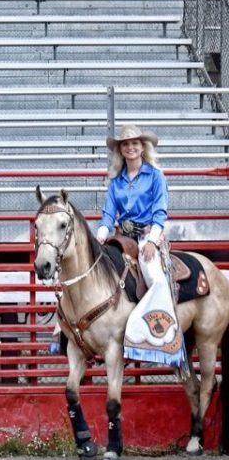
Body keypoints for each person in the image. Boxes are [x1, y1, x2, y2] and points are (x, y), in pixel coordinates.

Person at [95, 124, 181, 356]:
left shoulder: (155, 176)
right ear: (120, 150)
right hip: (122, 238)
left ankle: (160, 335)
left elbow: (160, 212)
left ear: (142, 147)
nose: (130, 147)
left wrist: (153, 241)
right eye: (125, 144)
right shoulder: (116, 182)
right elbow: (108, 215)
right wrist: (100, 237)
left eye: (134, 143)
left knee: (156, 278)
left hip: (146, 237)